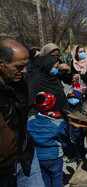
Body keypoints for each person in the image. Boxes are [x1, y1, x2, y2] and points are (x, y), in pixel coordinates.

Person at [0, 39, 44, 186]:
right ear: (1, 65)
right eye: (19, 67)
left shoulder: (21, 84)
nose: (25, 71)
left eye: (26, 65)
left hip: (27, 158)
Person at [27, 92, 74, 187]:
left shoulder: (30, 120)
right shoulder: (58, 123)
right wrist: (71, 154)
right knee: (57, 177)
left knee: (45, 177)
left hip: (39, 157)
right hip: (54, 157)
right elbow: (65, 142)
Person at [67, 83, 86, 163]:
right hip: (73, 130)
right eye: (71, 97)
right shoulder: (68, 107)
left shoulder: (82, 106)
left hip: (80, 128)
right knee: (75, 143)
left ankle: (81, 156)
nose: (73, 99)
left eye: (75, 97)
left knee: (80, 143)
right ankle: (78, 156)